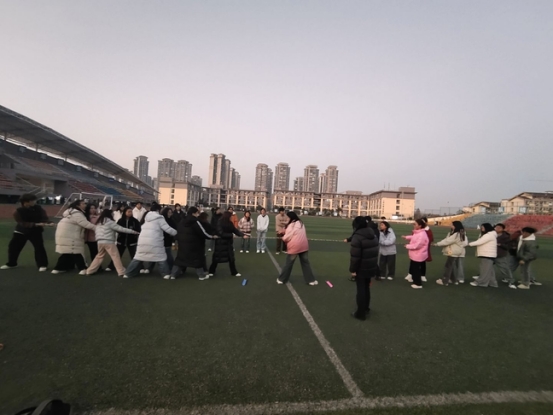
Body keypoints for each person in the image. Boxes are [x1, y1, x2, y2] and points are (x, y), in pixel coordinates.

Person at [1, 194, 53, 272]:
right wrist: (35, 224)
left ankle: (42, 265)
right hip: (21, 231)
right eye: (32, 200)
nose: (34, 202)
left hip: (35, 232)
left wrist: (49, 222)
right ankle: (12, 263)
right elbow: (22, 223)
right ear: (25, 202)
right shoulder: (18, 211)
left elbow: (44, 218)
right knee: (13, 247)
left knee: (39, 248)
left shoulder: (38, 208)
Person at [123, 203, 177, 279]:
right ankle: (165, 274)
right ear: (158, 210)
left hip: (143, 241)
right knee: (161, 258)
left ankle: (128, 273)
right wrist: (177, 233)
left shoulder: (147, 217)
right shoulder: (159, 218)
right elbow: (167, 229)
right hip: (155, 241)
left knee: (138, 257)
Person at [85, 209, 139, 277]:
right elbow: (121, 229)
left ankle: (90, 270)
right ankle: (121, 271)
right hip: (109, 242)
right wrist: (133, 232)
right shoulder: (110, 222)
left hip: (99, 242)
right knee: (115, 256)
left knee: (99, 256)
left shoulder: (98, 223)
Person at [52, 200, 97, 275]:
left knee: (67, 252)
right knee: (76, 252)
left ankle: (58, 268)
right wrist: (99, 229)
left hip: (65, 235)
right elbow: (86, 224)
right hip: (71, 236)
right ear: (78, 205)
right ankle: (82, 268)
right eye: (83, 204)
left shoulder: (70, 212)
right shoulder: (77, 214)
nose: (85, 205)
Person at [172, 207, 218, 280]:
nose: (198, 214)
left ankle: (173, 275)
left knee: (180, 259)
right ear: (193, 213)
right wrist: (212, 237)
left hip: (182, 244)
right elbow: (203, 233)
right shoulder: (196, 222)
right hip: (194, 245)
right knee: (196, 260)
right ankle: (201, 275)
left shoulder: (182, 221)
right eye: (197, 213)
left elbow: (178, 231)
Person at [349, 216, 379, 321]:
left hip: (361, 267)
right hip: (371, 265)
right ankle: (365, 308)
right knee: (366, 287)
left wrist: (353, 270)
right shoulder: (373, 234)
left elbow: (355, 257)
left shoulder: (357, 237)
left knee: (361, 289)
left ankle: (360, 313)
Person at [276, 212, 318, 285]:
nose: (287, 219)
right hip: (304, 246)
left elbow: (289, 235)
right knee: (305, 263)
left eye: (288, 217)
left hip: (295, 246)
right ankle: (311, 280)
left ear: (291, 218)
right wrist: (283, 231)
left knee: (289, 263)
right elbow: (293, 231)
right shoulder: (301, 223)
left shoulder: (292, 224)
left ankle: (281, 279)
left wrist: (283, 237)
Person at [209, 211, 244, 277]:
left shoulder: (230, 223)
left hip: (228, 244)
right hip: (220, 244)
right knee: (216, 258)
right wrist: (231, 235)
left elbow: (235, 230)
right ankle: (211, 271)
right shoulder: (219, 222)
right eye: (230, 216)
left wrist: (242, 235)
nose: (231, 218)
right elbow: (221, 233)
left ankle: (234, 272)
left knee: (231, 258)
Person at [106, 207, 141, 271]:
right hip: (121, 241)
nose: (130, 213)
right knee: (117, 255)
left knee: (135, 255)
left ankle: (140, 267)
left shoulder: (135, 221)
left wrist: (134, 234)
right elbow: (117, 228)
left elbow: (138, 229)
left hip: (132, 241)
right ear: (125, 212)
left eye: (131, 211)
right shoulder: (120, 220)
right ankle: (111, 266)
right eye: (128, 212)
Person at [434, 221, 466, 286]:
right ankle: (453, 280)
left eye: (452, 225)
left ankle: (445, 281)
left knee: (448, 266)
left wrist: (437, 244)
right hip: (455, 251)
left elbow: (447, 241)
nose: (451, 226)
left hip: (453, 252)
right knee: (450, 266)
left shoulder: (456, 234)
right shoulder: (461, 233)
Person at [467, 223, 498, 288]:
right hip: (489, 254)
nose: (481, 229)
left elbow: (479, 242)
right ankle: (492, 283)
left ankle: (481, 282)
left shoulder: (489, 235)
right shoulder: (491, 234)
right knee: (489, 270)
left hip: (487, 254)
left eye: (483, 227)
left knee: (484, 270)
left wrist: (468, 244)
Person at [402, 219, 429, 289]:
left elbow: (417, 245)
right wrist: (406, 237)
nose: (413, 225)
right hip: (416, 254)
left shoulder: (422, 234)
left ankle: (418, 283)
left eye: (415, 224)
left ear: (420, 226)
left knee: (416, 269)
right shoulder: (418, 232)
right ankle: (414, 280)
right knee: (414, 268)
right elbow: (414, 237)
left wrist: (407, 246)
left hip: (418, 255)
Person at [495, 223, 516, 289]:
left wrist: (500, 244)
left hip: (499, 254)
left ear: (503, 229)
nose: (497, 229)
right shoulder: (492, 234)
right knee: (486, 267)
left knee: (504, 269)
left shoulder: (506, 237)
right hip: (490, 254)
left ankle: (511, 281)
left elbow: (508, 246)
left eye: (499, 228)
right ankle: (482, 277)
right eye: (496, 227)